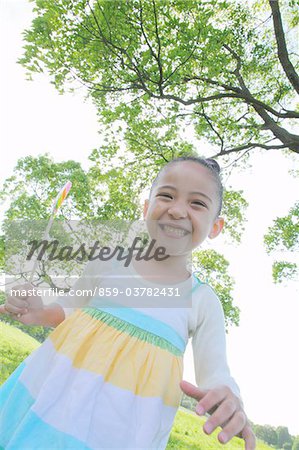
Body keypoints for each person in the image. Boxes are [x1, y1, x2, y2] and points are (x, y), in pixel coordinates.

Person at [0, 156, 256, 449]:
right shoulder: (107, 263)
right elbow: (70, 307)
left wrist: (229, 397)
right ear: (147, 208)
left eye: (197, 203)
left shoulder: (202, 300)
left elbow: (216, 373)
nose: (176, 210)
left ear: (215, 226)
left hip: (115, 435)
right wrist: (39, 312)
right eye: (166, 196)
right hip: (47, 400)